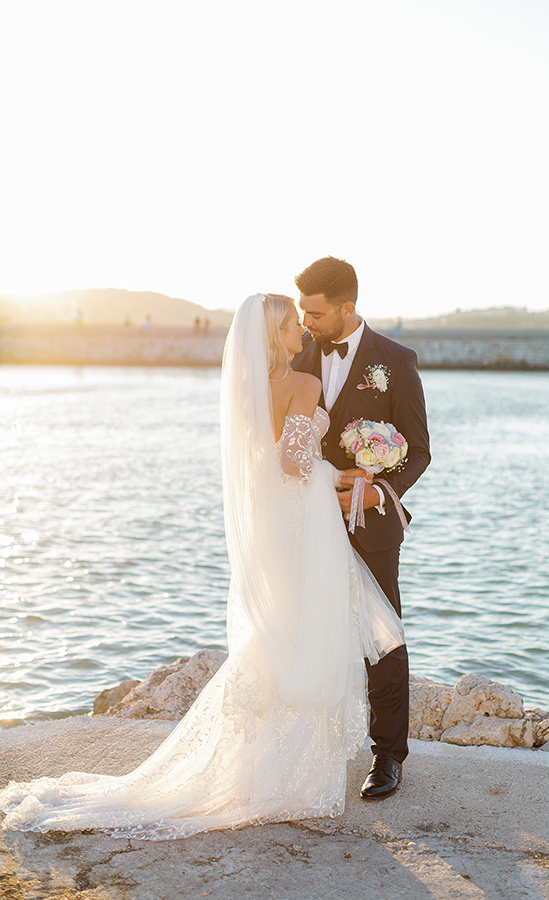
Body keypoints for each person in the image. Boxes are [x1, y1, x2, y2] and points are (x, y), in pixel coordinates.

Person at [0, 293, 405, 839]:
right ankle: (299, 769)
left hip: (270, 524)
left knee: (278, 633)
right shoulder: (304, 385)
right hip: (303, 522)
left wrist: (336, 475)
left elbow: (267, 462)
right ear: (275, 334)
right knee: (320, 630)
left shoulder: (246, 389)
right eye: (293, 325)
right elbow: (293, 462)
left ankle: (262, 762)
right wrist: (341, 477)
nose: (303, 333)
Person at [292, 257, 431, 800]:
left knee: (382, 638)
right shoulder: (296, 354)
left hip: (371, 521)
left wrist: (379, 489)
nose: (306, 321)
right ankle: (311, 744)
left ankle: (388, 755)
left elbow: (417, 451)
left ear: (347, 307)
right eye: (302, 310)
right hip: (308, 519)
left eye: (316, 312)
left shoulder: (396, 361)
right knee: (309, 629)